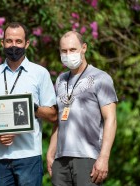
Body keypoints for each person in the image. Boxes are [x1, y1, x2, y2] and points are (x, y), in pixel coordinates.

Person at [0, 22, 57, 186]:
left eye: (18, 41)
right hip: (0, 158)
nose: (14, 45)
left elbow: (53, 115)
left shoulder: (40, 73)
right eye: (9, 41)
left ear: (26, 43)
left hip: (29, 155)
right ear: (2, 43)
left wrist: (30, 107)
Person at [47, 31, 118, 186]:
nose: (68, 54)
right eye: (64, 51)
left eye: (72, 50)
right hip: (61, 159)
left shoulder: (101, 78)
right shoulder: (60, 80)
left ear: (84, 48)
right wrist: (51, 152)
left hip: (88, 158)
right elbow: (59, 120)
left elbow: (110, 119)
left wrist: (104, 157)